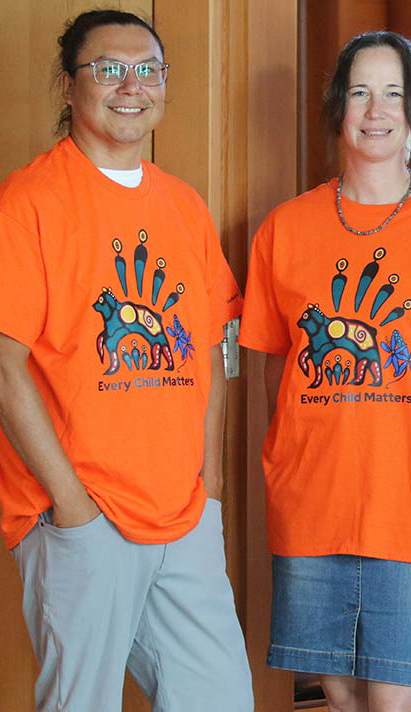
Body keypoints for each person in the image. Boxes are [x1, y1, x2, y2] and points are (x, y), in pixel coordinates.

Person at [239, 31, 411, 712]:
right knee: (340, 696)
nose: (375, 109)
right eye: (361, 91)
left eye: (393, 93)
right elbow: (279, 370)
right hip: (313, 504)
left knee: (397, 701)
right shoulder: (285, 229)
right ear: (338, 105)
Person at [0, 10, 252, 711]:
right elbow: (3, 364)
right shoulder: (29, 203)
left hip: (183, 515)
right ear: (67, 85)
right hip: (80, 516)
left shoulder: (184, 206)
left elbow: (210, 350)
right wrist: (72, 507)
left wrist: (209, 493)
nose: (130, 85)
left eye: (147, 69)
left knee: (220, 699)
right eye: (108, 68)